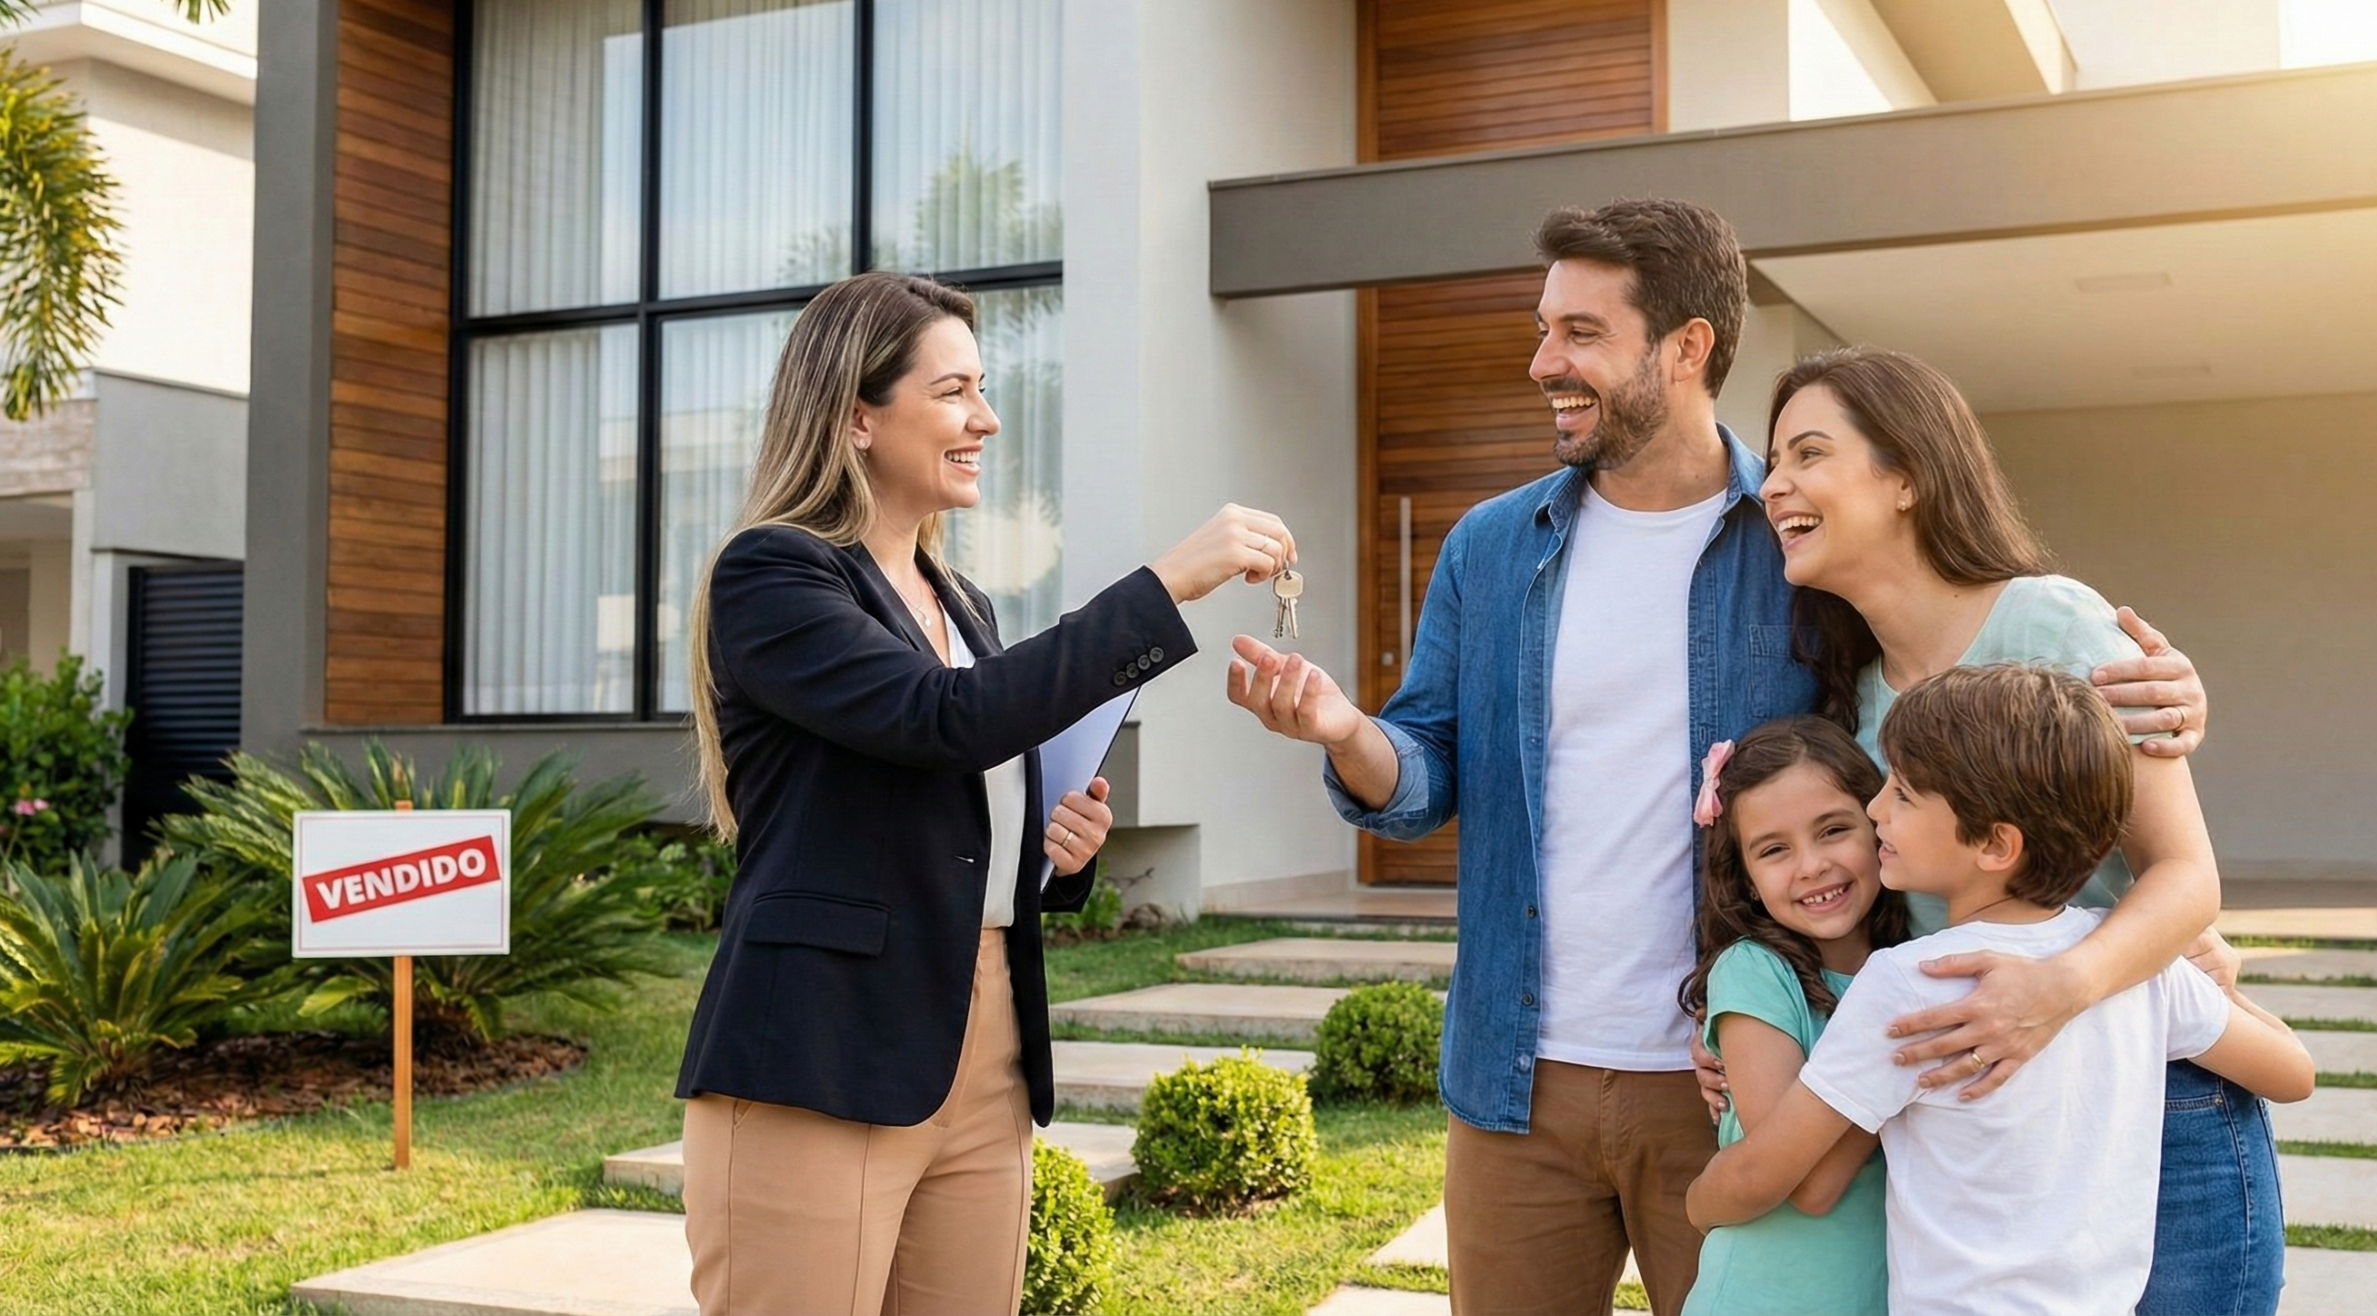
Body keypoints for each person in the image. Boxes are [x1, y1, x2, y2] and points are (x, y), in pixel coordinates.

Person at [1225, 198, 2207, 1314]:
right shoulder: (1492, 548)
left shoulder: (1800, 551)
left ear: (1686, 347)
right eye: (1543, 327)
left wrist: (2162, 708)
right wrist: (1348, 734)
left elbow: (1974, 700)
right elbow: (1425, 775)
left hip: (1748, 1073)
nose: (1542, 360)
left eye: (1581, 333)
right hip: (1515, 1076)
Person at [673, 273, 1297, 1316]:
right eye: (955, 390)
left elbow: (963, 783)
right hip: (823, 1051)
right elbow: (942, 720)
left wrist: (1057, 848)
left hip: (986, 1044)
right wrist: (1166, 583)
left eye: (982, 388)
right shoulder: (773, 574)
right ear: (858, 414)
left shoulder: (960, 599)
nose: (986, 419)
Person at [1758, 346, 2279, 1311]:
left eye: (1807, 454)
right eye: (1772, 462)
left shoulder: (2056, 625)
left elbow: (2184, 874)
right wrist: (1759, 1051)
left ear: (1907, 474)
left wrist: (2059, 988)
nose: (1773, 484)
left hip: (2153, 1107)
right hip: (1986, 1142)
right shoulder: (1853, 698)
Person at [1689, 665, 2313, 1316]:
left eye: (1902, 794)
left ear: (1994, 845)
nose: (1876, 808)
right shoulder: (2139, 965)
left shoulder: (1912, 983)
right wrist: (2208, 977)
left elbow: (1770, 1174)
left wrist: (1698, 1198)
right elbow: (2293, 1072)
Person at [1676, 718, 1907, 1316]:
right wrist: (1908, 1048)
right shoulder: (1754, 972)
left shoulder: (1911, 963)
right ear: (1747, 879)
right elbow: (1810, 1183)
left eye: (1833, 830)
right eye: (1774, 849)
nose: (1810, 866)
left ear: (1880, 830)